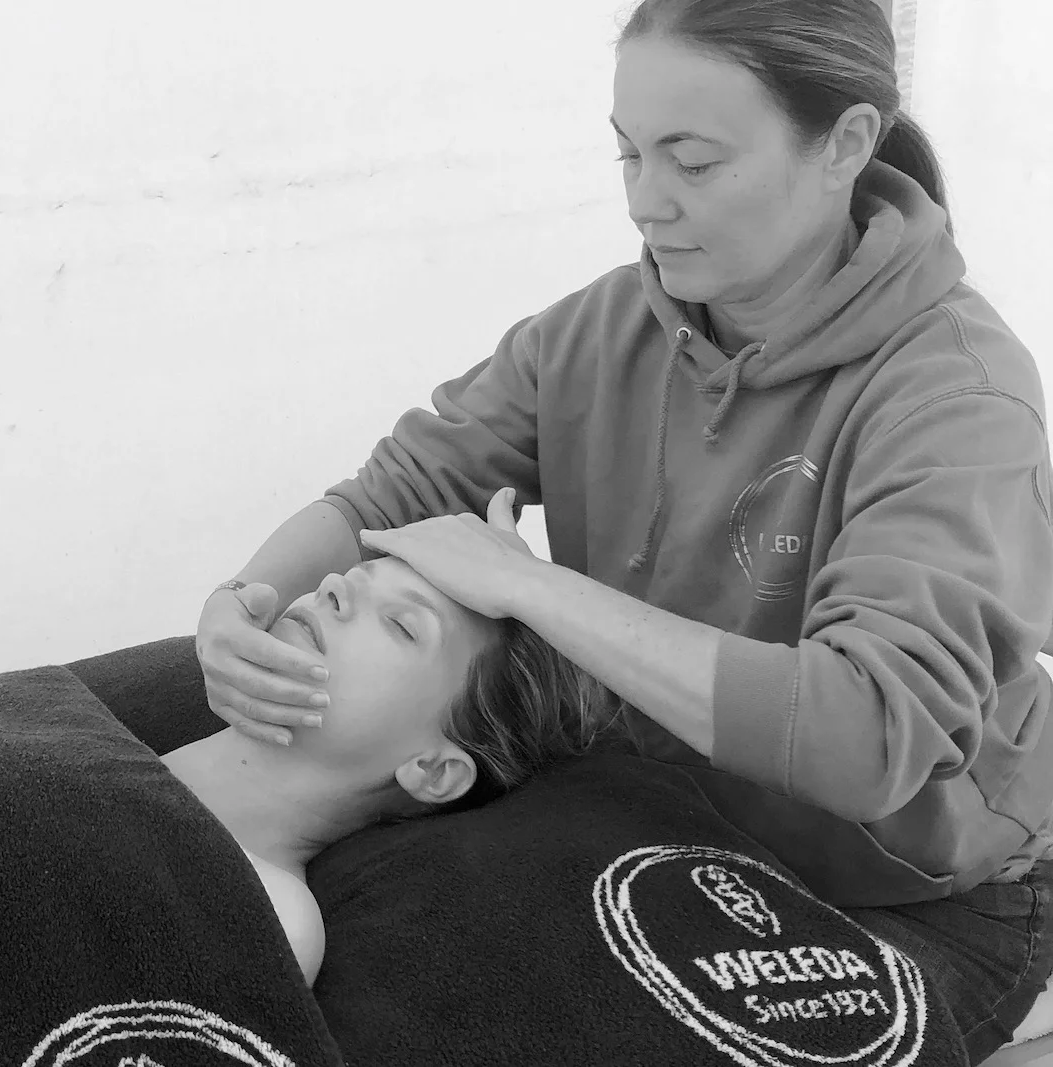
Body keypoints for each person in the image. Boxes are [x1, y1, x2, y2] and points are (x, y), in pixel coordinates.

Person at [191, 1, 1053, 1062]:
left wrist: (534, 587)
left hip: (913, 893)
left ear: (845, 145)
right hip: (660, 807)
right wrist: (244, 600)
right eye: (628, 154)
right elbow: (393, 490)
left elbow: (869, 735)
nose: (647, 201)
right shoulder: (599, 329)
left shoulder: (956, 399)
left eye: (692, 162)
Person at [166, 550, 621, 985]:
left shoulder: (272, 917)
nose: (333, 588)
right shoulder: (108, 731)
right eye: (352, 574)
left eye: (401, 625)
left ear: (434, 771)